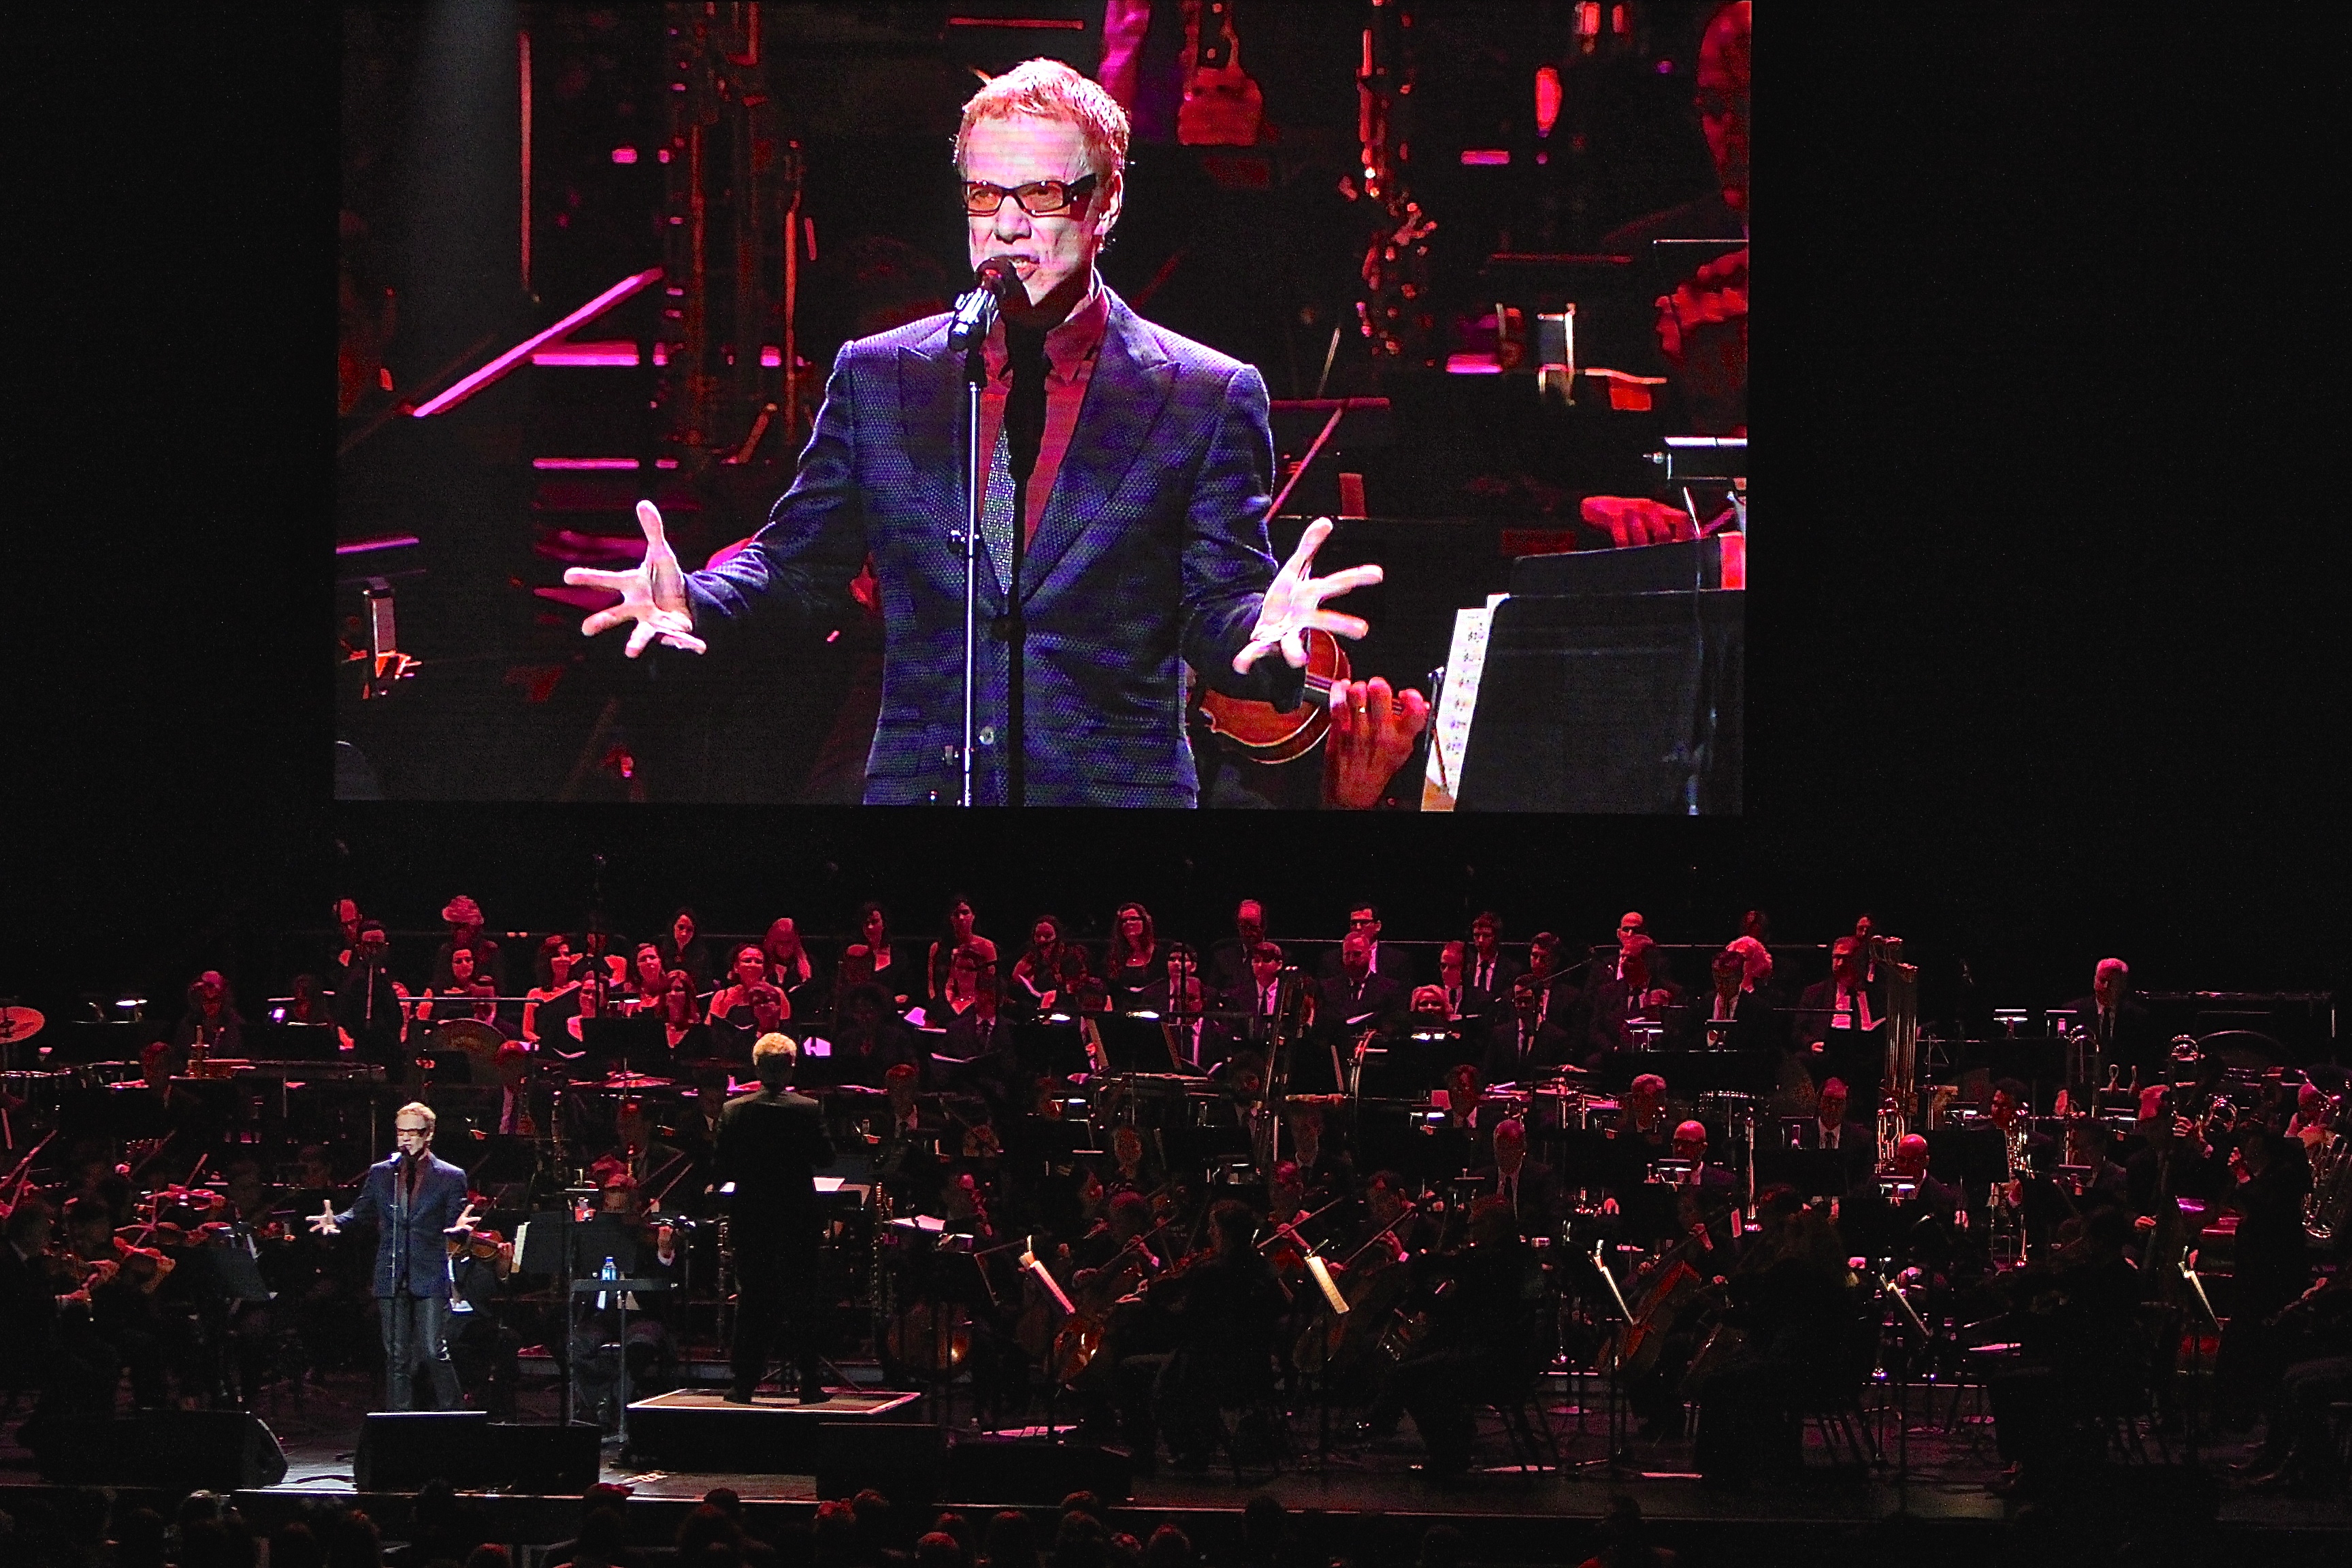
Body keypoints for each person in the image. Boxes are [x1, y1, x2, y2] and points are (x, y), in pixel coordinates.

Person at [561, 59, 1403, 806]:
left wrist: (1265, 638)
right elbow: (797, 569)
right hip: (919, 791)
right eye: (984, 195)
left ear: (1106, 200)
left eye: (1041, 195)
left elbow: (1219, 607)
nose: (1007, 226)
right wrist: (695, 600)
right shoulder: (882, 375)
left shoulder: (1203, 395)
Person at [307, 1101, 474, 1410]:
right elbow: (360, 1211)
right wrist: (336, 1222)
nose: (406, 1139)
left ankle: (454, 1414)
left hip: (429, 1271)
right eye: (401, 1132)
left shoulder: (451, 1176)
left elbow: (456, 1222)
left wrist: (459, 1231)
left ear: (429, 1134)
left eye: (414, 1132)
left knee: (432, 1349)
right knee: (396, 1355)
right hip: (391, 1270)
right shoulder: (383, 1173)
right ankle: (399, 1423)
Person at [715, 1034, 837, 1403]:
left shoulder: (733, 1110)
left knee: (753, 1297)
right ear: (791, 1067)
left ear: (756, 1067)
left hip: (751, 1214)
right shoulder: (807, 1108)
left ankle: (743, 1383)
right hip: (796, 1213)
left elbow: (721, 1166)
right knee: (801, 1297)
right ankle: (810, 1383)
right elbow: (826, 1158)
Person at [2060, 957, 2158, 1088]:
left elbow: (2149, 1061)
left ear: (2123, 985)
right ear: (2094, 980)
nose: (2105, 987)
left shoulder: (2139, 1017)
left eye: (2112, 983)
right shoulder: (2072, 1013)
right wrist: (2062, 1090)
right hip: (2082, 1090)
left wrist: (2140, 1085)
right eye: (2102, 980)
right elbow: (2058, 1062)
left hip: (2126, 1092)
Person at [1316, 903, 1415, 989]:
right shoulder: (1329, 960)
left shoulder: (1397, 960)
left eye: (1364, 923)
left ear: (1378, 926)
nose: (1358, 927)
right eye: (1354, 923)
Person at [928, 897, 1000, 1001]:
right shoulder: (937, 948)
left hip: (975, 1005)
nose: (961, 918)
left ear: (973, 916)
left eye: (965, 913)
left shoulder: (987, 946)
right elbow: (931, 985)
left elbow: (991, 983)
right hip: (943, 1006)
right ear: (951, 918)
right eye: (956, 914)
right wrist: (936, 1006)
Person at [1205, 899, 1267, 1004]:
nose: (1247, 933)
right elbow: (1212, 993)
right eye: (1243, 927)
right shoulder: (1222, 957)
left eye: (1253, 928)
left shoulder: (1276, 956)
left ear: (1264, 926)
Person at [174, 970, 244, 1059]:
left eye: (215, 1000)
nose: (210, 1005)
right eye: (205, 1000)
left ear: (224, 999)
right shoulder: (189, 1024)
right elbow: (180, 1055)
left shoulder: (234, 1023)